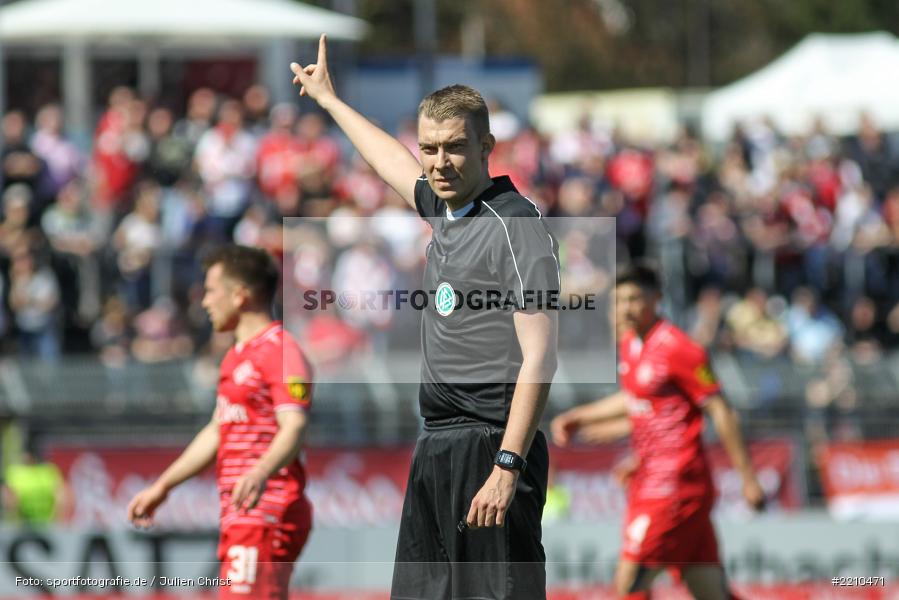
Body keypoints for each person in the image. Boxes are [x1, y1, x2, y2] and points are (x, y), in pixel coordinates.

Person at [291, 35, 559, 600]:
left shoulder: (514, 223)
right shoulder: (447, 208)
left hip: (491, 446)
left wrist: (508, 466)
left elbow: (542, 354)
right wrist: (331, 102)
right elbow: (394, 163)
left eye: (454, 148)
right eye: (430, 148)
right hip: (436, 443)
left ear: (487, 147)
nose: (438, 163)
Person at [550, 264, 764, 600]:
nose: (626, 308)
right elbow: (643, 400)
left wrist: (748, 478)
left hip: (675, 482)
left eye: (635, 298)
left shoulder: (680, 348)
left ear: (657, 299)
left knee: (629, 584)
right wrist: (583, 417)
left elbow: (720, 410)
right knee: (710, 590)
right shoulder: (631, 344)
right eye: (619, 300)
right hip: (651, 476)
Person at [127, 245, 314, 600]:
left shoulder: (282, 350)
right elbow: (217, 430)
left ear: (240, 295)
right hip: (242, 513)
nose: (204, 301)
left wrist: (259, 472)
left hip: (267, 510)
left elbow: (294, 427)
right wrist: (163, 487)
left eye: (211, 290)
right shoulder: (234, 357)